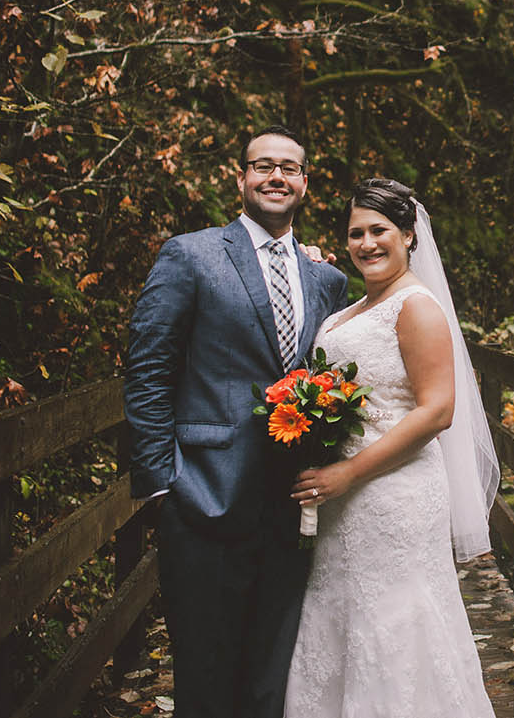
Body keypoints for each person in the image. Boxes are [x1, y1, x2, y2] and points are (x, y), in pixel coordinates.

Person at [124, 125, 349, 718]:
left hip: (292, 508)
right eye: (263, 165)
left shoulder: (326, 279)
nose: (276, 176)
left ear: (305, 181)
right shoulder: (191, 255)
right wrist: (158, 484)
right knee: (204, 676)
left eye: (289, 168)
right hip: (202, 497)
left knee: (271, 680)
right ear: (241, 176)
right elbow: (149, 367)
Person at [284, 178, 500, 718]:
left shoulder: (417, 307)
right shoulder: (348, 311)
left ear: (408, 236)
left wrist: (350, 473)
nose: (367, 243)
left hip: (394, 494)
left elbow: (437, 410)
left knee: (397, 624)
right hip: (342, 502)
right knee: (346, 617)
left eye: (379, 230)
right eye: (355, 233)